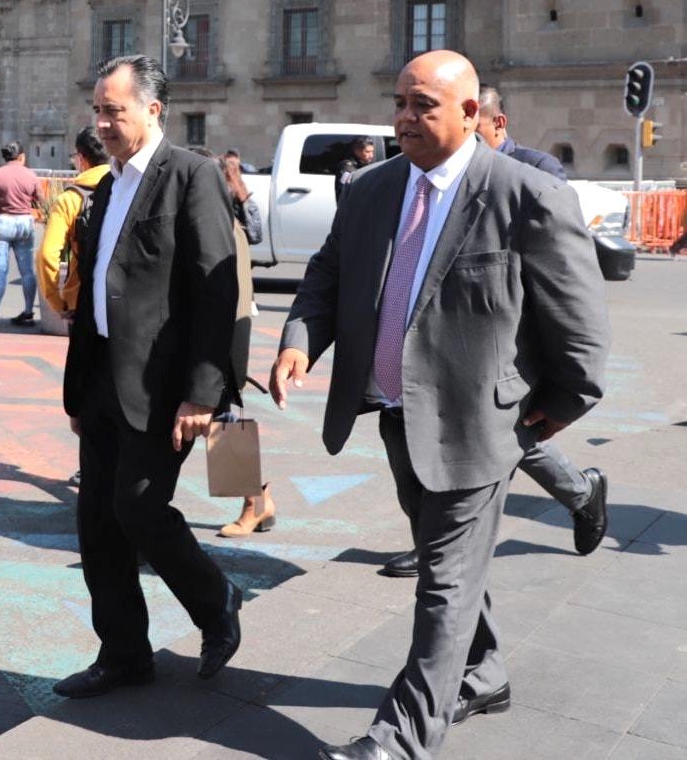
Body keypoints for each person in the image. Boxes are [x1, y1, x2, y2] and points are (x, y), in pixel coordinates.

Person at [269, 50, 610, 760]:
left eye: (422, 105)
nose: (403, 118)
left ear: (470, 114)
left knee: (444, 584)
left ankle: (399, 739)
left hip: (482, 421)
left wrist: (556, 407)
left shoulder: (525, 196)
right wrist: (300, 339)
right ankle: (482, 672)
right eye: (398, 102)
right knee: (438, 558)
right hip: (395, 410)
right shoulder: (369, 189)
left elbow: (579, 323)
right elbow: (326, 274)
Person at [53, 54, 241, 700]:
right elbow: (97, 289)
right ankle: (124, 653)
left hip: (164, 389)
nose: (101, 122)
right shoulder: (105, 184)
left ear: (152, 109)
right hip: (103, 376)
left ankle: (216, 602)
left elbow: (216, 290)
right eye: (97, 110)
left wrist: (203, 391)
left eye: (114, 110)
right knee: (96, 523)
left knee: (137, 507)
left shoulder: (191, 175)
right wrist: (81, 387)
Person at [380, 86, 606, 579]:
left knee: (516, 439)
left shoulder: (535, 173)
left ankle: (582, 494)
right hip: (447, 344)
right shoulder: (427, 174)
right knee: (443, 449)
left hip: (507, 352)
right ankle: (436, 548)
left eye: (476, 133)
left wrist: (565, 381)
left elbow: (561, 279)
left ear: (493, 124)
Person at [215, 152, 276, 539]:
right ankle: (257, 499)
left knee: (223, 416)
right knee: (221, 417)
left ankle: (255, 500)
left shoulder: (227, 219)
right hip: (225, 327)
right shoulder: (227, 215)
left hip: (227, 329)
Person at [36, 127, 110, 322]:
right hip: (119, 300)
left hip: (80, 299)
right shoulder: (126, 190)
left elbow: (46, 255)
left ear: (82, 158)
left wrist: (57, 301)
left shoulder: (70, 199)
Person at [0, 140, 46, 329]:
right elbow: (41, 201)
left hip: (2, 222)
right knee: (27, 271)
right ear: (22, 156)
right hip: (24, 222)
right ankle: (28, 312)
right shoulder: (30, 175)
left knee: (0, 271)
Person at [334, 136, 377, 201]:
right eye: (367, 152)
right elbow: (344, 195)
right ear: (356, 151)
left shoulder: (362, 164)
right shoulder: (348, 169)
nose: (371, 156)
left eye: (372, 152)